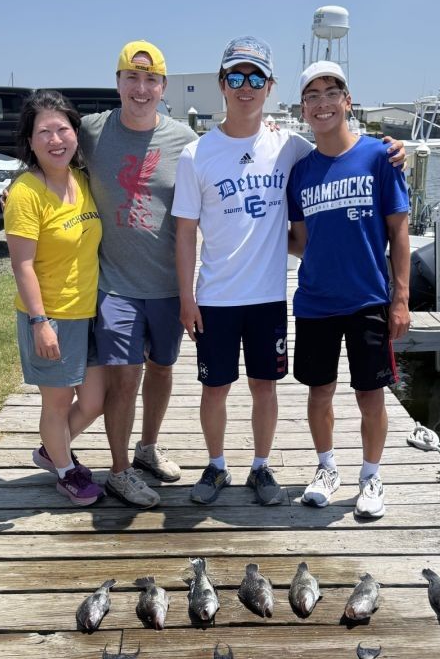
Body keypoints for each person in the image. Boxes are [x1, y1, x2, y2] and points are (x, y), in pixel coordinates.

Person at [174, 38, 406, 507]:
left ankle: (269, 467)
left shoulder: (291, 146)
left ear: (270, 87)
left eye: (256, 78)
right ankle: (218, 466)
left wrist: (398, 151)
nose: (246, 87)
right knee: (217, 387)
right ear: (222, 85)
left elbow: (385, 214)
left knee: (271, 387)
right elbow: (186, 235)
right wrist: (186, 297)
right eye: (236, 77)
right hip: (221, 294)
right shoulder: (198, 155)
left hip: (274, 296)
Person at [287, 61, 411, 519]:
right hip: (316, 300)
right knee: (319, 392)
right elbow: (298, 241)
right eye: (312, 96)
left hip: (368, 300)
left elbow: (400, 233)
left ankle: (371, 475)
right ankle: (326, 468)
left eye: (330, 92)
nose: (322, 103)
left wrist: (400, 299)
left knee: (370, 395)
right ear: (303, 109)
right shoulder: (300, 172)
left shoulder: (380, 156)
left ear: (347, 101)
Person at [77, 41, 198, 509]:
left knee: (163, 368)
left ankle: (147, 447)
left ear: (163, 88)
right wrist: (18, 184)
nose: (141, 88)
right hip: (116, 283)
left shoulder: (186, 140)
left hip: (169, 284)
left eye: (151, 81)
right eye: (132, 77)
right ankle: (119, 470)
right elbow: (47, 144)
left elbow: (234, 152)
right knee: (125, 376)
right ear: (118, 82)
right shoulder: (91, 131)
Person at [4, 90, 105, 506]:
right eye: (43, 131)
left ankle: (52, 449)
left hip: (89, 311)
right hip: (51, 315)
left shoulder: (83, 180)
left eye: (62, 128)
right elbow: (22, 266)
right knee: (58, 401)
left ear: (75, 133)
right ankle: (65, 472)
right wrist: (39, 322)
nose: (55, 139)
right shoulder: (26, 193)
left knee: (95, 399)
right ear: (29, 141)